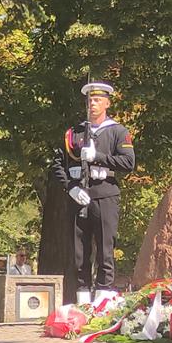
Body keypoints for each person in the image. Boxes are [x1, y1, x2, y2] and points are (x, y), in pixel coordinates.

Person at [52, 81, 137, 305]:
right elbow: (57, 165)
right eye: (90, 100)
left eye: (98, 100)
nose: (92, 104)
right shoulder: (74, 133)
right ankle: (81, 299)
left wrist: (98, 156)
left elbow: (128, 163)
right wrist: (70, 187)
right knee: (79, 252)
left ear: (107, 103)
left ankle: (102, 298)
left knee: (105, 250)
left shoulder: (118, 131)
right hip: (79, 196)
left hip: (105, 195)